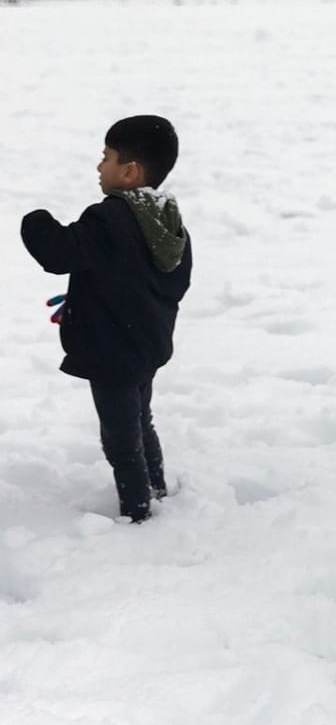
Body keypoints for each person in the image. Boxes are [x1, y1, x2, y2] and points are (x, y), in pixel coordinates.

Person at [20, 116, 194, 523]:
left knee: (121, 439)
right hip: (146, 344)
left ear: (129, 172)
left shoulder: (110, 218)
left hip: (113, 352)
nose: (100, 166)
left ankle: (138, 513)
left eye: (107, 158)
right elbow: (169, 277)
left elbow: (60, 253)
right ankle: (156, 488)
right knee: (141, 419)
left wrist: (35, 220)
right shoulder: (167, 217)